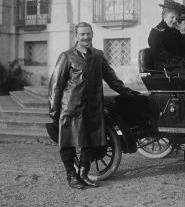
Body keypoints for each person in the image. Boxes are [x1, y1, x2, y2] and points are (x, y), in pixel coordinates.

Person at [48, 22, 140, 189]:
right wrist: (54, 110)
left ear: (92, 34)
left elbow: (111, 78)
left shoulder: (98, 55)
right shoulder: (66, 56)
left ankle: (83, 174)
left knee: (90, 143)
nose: (86, 37)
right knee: (68, 144)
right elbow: (56, 85)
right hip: (71, 107)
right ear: (76, 36)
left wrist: (128, 93)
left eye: (88, 34)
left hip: (93, 108)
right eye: (82, 34)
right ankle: (71, 176)